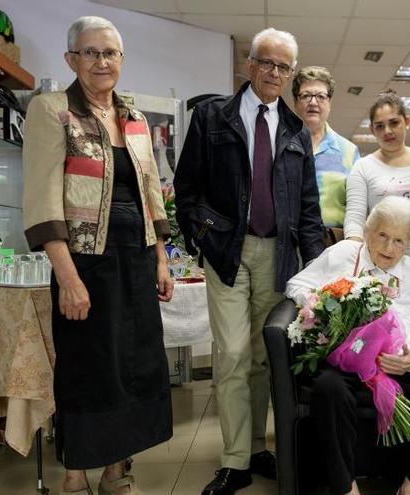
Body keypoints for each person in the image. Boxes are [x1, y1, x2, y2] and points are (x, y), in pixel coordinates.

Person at [22, 16, 174, 495]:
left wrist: (162, 259)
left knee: (131, 362)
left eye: (110, 53)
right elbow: (45, 200)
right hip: (84, 262)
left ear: (121, 61)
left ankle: (116, 466)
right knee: (87, 364)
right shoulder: (51, 110)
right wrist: (67, 277)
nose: (101, 62)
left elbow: (151, 191)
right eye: (90, 53)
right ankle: (76, 471)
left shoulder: (134, 118)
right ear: (71, 60)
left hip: (135, 258)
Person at [174, 28, 326, 495]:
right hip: (227, 252)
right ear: (249, 64)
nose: (275, 74)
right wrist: (203, 239)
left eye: (285, 67)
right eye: (267, 63)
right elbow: (186, 190)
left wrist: (320, 274)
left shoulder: (297, 130)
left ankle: (258, 446)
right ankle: (235, 460)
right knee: (234, 354)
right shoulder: (211, 116)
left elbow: (308, 209)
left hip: (278, 256)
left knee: (264, 356)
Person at [286, 196, 410, 495]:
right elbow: (296, 283)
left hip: (397, 360)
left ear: (409, 242)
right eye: (382, 235)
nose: (388, 248)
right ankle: (345, 487)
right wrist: (326, 301)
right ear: (368, 231)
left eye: (399, 241)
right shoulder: (343, 254)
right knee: (328, 390)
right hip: (350, 359)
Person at [344, 91, 410, 258]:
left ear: (407, 121)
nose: (387, 131)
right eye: (380, 126)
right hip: (379, 261)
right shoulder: (363, 167)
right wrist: (355, 261)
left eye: (394, 123)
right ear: (372, 129)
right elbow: (354, 220)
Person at [291, 66, 360, 245]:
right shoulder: (280, 146)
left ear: (329, 102)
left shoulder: (348, 151)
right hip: (289, 245)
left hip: (332, 244)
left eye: (321, 96)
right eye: (306, 95)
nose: (313, 102)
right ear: (295, 101)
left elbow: (357, 208)